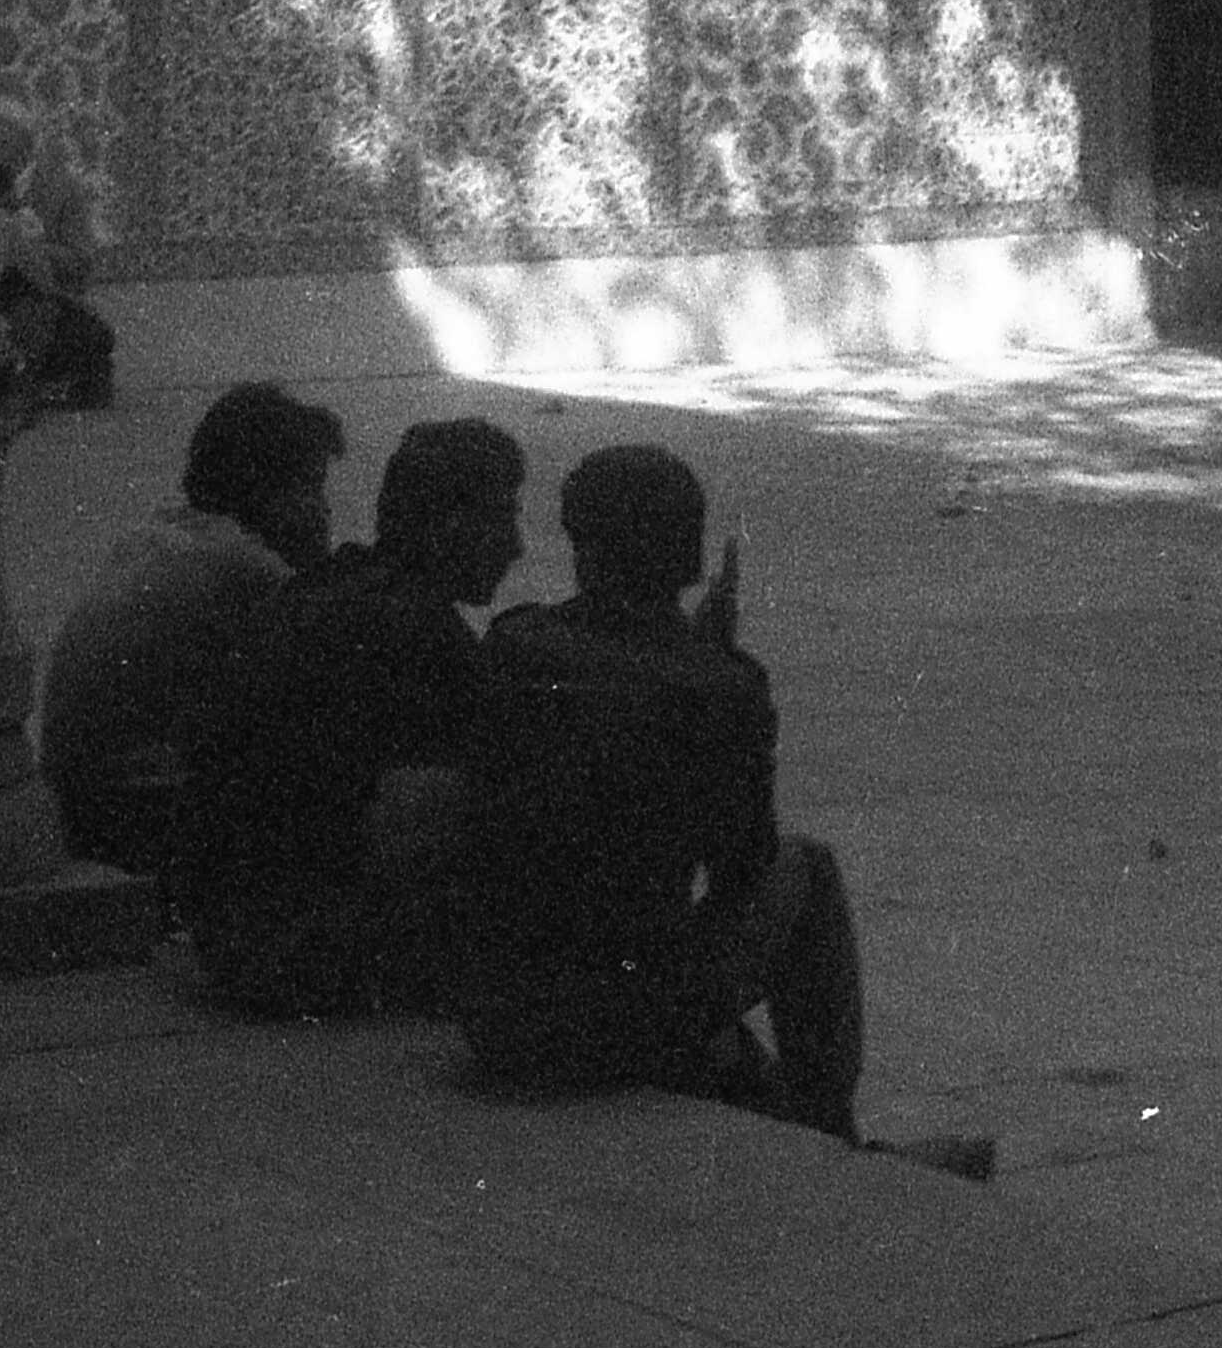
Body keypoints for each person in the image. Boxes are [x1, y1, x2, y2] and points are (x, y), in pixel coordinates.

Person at [455, 440, 868, 1143]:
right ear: (689, 557)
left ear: (581, 544)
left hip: (496, 1014)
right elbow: (743, 869)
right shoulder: (723, 683)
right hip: (619, 1018)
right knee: (809, 868)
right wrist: (713, 668)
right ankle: (833, 1130)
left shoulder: (516, 643)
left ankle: (771, 1090)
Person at [174, 417, 527, 1018]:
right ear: (449, 526)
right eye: (504, 518)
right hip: (295, 952)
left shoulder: (328, 589)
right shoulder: (415, 629)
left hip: (229, 936)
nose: (516, 546)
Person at [35, 380, 343, 881]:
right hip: (135, 817)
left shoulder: (156, 537)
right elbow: (330, 658)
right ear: (267, 491)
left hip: (81, 807)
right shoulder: (240, 567)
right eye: (310, 488)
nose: (324, 509)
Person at [0, 126, 117, 415]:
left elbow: (81, 261)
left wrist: (28, 250)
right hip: (4, 299)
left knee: (90, 334)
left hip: (41, 299)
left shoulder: (63, 188)